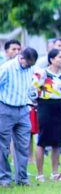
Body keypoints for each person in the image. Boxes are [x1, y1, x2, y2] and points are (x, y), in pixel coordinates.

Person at [0, 47, 38, 187]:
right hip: (5, 109)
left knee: (23, 146)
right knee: (3, 146)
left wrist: (32, 99)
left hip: (23, 110)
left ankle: (22, 178)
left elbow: (29, 87)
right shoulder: (7, 68)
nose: (29, 67)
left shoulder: (29, 68)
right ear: (21, 58)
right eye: (28, 63)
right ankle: (4, 179)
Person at [32, 49, 61, 182]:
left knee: (57, 142)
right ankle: (40, 173)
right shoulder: (43, 73)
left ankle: (55, 172)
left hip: (59, 106)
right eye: (59, 57)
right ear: (51, 59)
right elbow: (33, 87)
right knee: (42, 140)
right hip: (45, 106)